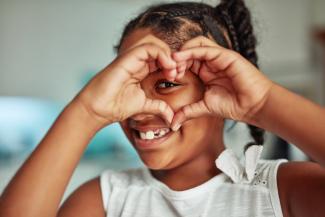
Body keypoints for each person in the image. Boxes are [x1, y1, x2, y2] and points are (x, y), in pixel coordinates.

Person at [0, 1, 324, 217]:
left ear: (222, 87)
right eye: (129, 85)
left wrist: (263, 102)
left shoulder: (284, 191)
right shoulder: (105, 200)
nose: (140, 110)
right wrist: (86, 112)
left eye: (166, 84)